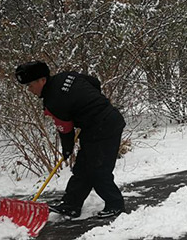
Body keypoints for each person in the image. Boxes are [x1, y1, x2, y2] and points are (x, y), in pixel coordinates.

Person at [15, 61, 127, 218]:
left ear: (42, 80)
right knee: (83, 168)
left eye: (30, 85)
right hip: (99, 125)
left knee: (98, 170)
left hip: (104, 128)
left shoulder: (53, 100)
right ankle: (71, 204)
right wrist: (91, 103)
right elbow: (94, 82)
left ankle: (115, 205)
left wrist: (67, 148)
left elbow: (65, 129)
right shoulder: (66, 76)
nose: (30, 90)